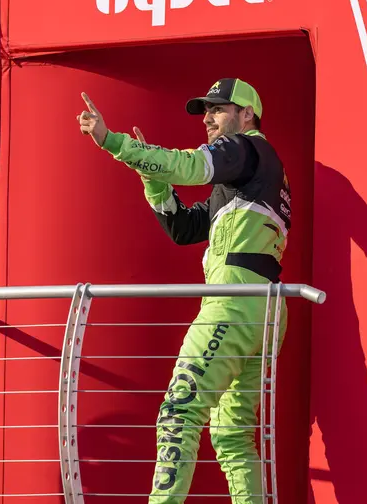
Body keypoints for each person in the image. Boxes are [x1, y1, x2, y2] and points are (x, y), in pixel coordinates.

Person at [77, 78, 291, 503]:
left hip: (233, 303)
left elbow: (190, 166)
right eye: (205, 112)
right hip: (263, 309)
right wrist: (149, 174)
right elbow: (182, 228)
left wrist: (112, 142)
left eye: (218, 109)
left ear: (246, 114)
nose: (208, 119)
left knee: (179, 413)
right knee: (232, 441)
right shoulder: (252, 171)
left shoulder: (244, 148)